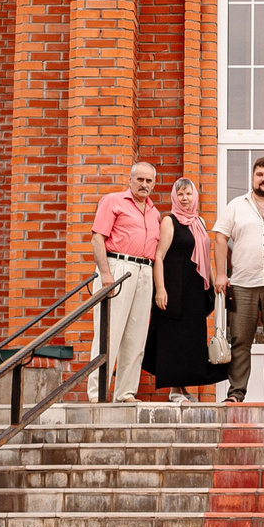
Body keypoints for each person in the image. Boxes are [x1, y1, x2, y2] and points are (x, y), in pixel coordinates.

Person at [214, 155, 264, 403]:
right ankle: (236, 394)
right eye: (259, 174)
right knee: (240, 342)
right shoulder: (236, 205)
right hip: (242, 283)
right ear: (252, 177)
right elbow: (219, 238)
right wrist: (220, 273)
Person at [148, 178, 231, 401]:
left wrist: (214, 285)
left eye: (189, 194)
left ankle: (183, 388)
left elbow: (205, 256)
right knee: (173, 338)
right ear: (175, 197)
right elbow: (159, 256)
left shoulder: (199, 221)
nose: (185, 199)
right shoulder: (169, 221)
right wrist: (160, 289)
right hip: (174, 288)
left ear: (195, 196)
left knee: (190, 339)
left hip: (196, 290)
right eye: (181, 195)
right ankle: (174, 390)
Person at [88, 160, 163, 404]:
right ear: (130, 180)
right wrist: (106, 273)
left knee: (136, 335)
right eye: (139, 179)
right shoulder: (113, 201)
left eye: (148, 180)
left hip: (145, 271)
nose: (144, 184)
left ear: (154, 184)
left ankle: (124, 393)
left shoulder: (154, 213)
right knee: (109, 332)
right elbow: (97, 238)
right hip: (118, 267)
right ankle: (97, 393)